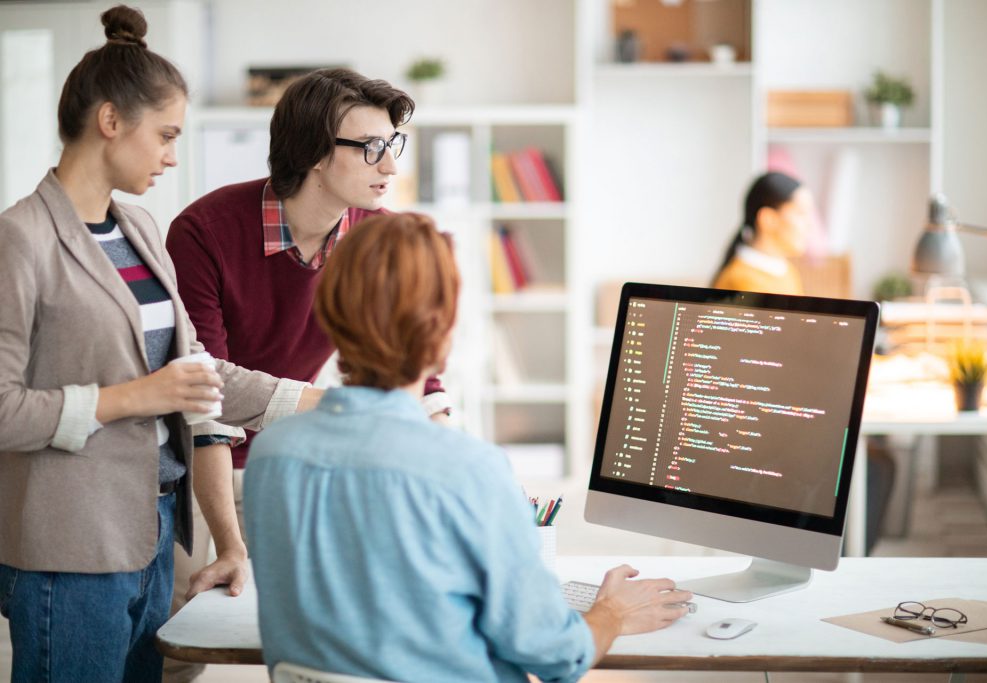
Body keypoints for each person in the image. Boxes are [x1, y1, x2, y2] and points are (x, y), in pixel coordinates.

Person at [0, 7, 321, 682]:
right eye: (166, 134)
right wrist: (131, 397)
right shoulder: (19, 239)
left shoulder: (142, 229)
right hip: (69, 552)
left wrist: (317, 401)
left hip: (155, 535)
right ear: (111, 121)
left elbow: (197, 375)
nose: (174, 154)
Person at [244, 212, 691, 682]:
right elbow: (556, 657)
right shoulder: (468, 470)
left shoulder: (272, 454)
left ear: (331, 320)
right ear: (440, 339)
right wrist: (612, 613)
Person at [162, 65, 451, 682]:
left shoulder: (374, 237)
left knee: (319, 644)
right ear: (318, 154)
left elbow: (412, 363)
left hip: (287, 460)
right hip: (189, 459)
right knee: (178, 647)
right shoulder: (205, 230)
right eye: (371, 148)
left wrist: (451, 448)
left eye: (391, 146)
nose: (390, 166)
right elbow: (203, 395)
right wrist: (229, 543)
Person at [711, 171, 815, 295]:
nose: (809, 224)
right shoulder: (741, 282)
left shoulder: (788, 272)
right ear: (768, 219)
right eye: (801, 213)